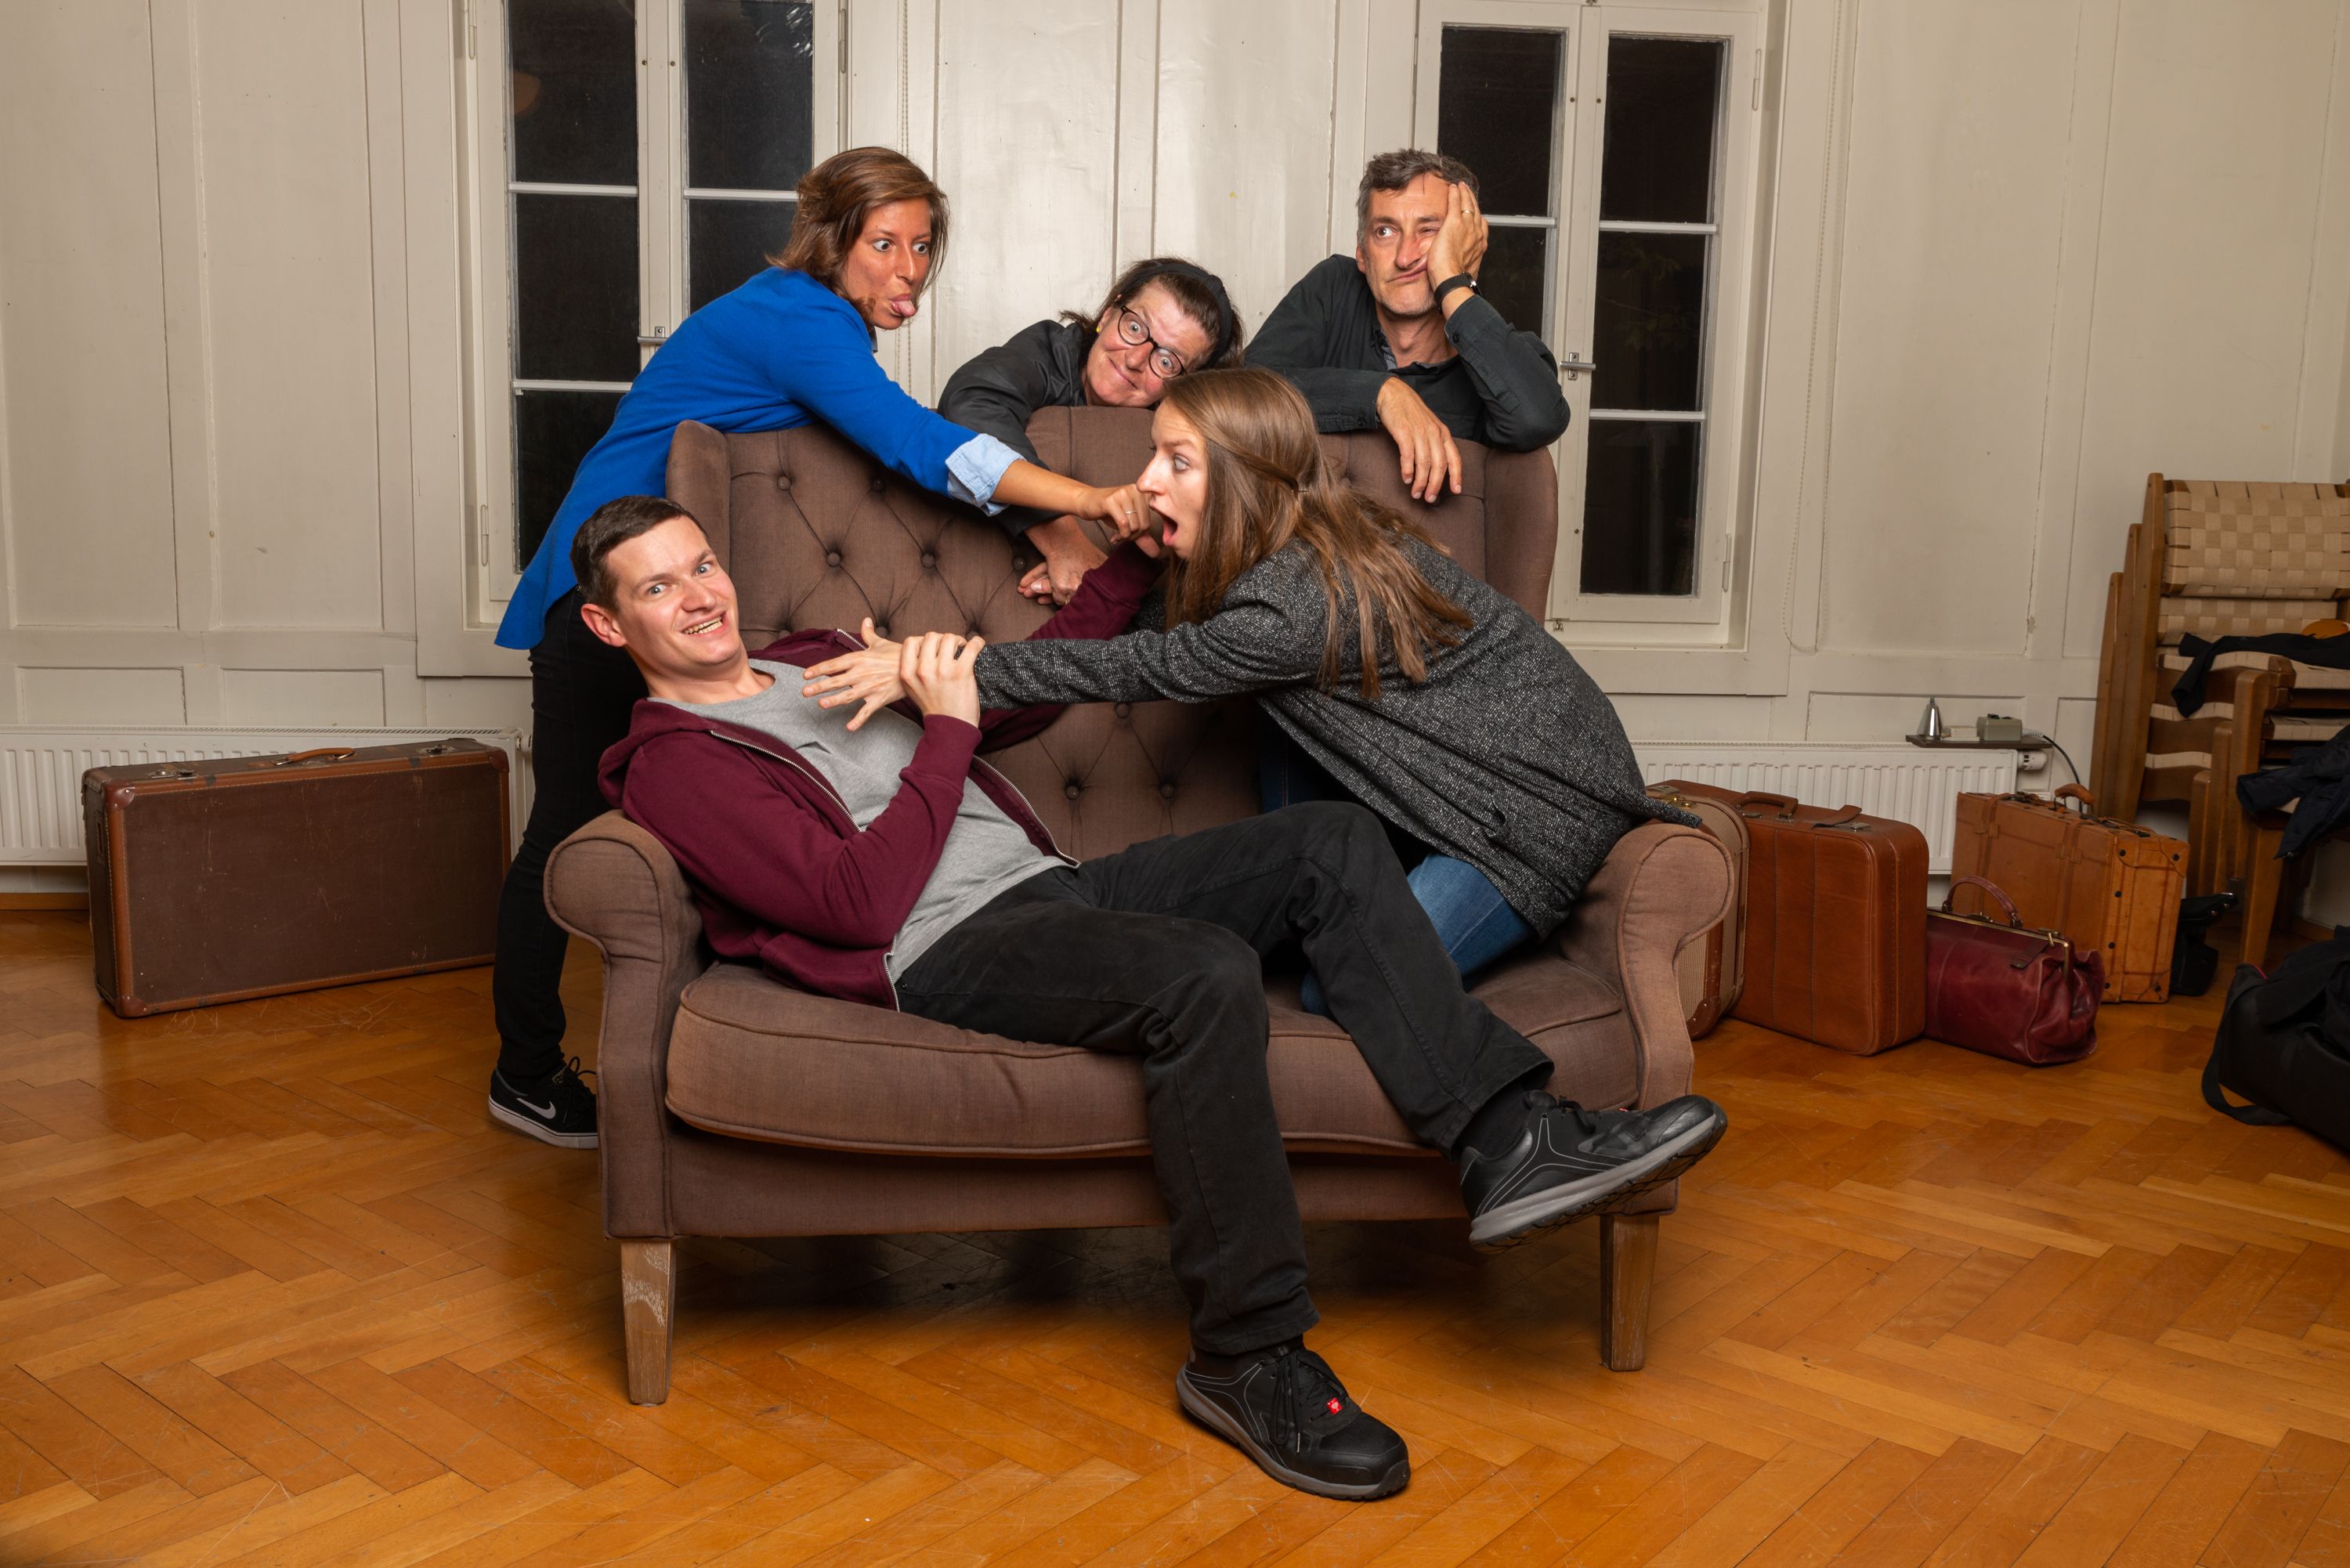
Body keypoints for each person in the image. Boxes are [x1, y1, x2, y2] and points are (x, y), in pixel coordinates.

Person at [576, 493, 1726, 1501]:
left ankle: (1507, 1136)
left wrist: (1125, 560)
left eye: (703, 564)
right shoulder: (676, 761)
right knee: (1201, 971)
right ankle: (1248, 1354)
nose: (700, 596)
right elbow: (856, 902)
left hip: (1053, 885)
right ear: (608, 624)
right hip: (938, 945)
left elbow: (1015, 697)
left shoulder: (814, 656)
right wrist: (948, 729)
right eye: (658, 587)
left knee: (1327, 840)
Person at [483, 147, 1151, 1151]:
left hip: (665, 590)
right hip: (606, 593)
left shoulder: (813, 322)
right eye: (883, 243)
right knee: (566, 831)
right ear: (831, 241)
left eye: (922, 246)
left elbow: (916, 444)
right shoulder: (797, 318)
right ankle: (526, 1073)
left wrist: (1050, 531)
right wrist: (1091, 501)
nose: (908, 269)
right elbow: (921, 443)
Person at [806, 367, 1687, 1012]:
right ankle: (1330, 890)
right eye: (1154, 455)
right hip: (1458, 787)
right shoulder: (1273, 546)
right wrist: (1119, 562)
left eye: (1176, 462)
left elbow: (1131, 667)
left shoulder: (1292, 605)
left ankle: (1374, 907)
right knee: (1285, 726)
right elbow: (1124, 640)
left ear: (1241, 480)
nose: (1147, 480)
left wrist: (935, 669)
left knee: (1340, 988)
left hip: (1531, 821)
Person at [1251, 150, 1571, 504]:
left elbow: (1539, 419)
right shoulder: (1334, 288)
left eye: (1429, 230)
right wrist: (1381, 394)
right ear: (1362, 252)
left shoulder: (1498, 353)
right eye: (1385, 231)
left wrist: (1451, 280)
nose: (1405, 257)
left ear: (1464, 242)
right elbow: (1244, 389)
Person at [938, 258, 1245, 605]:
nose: (1134, 360)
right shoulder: (1048, 351)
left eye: (1166, 361)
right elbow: (970, 404)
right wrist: (1066, 544)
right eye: (1135, 327)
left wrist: (1114, 577)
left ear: (1186, 386)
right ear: (1109, 314)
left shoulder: (1179, 440)